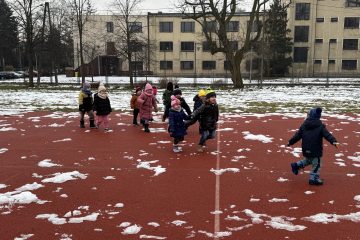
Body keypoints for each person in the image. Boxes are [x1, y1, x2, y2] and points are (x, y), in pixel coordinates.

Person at [288, 107, 339, 186]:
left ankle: (296, 165)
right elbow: (327, 135)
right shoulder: (320, 126)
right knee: (317, 164)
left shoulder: (304, 125)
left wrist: (290, 142)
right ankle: (313, 179)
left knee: (308, 160)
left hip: (306, 149)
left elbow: (297, 136)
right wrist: (334, 141)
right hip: (316, 150)